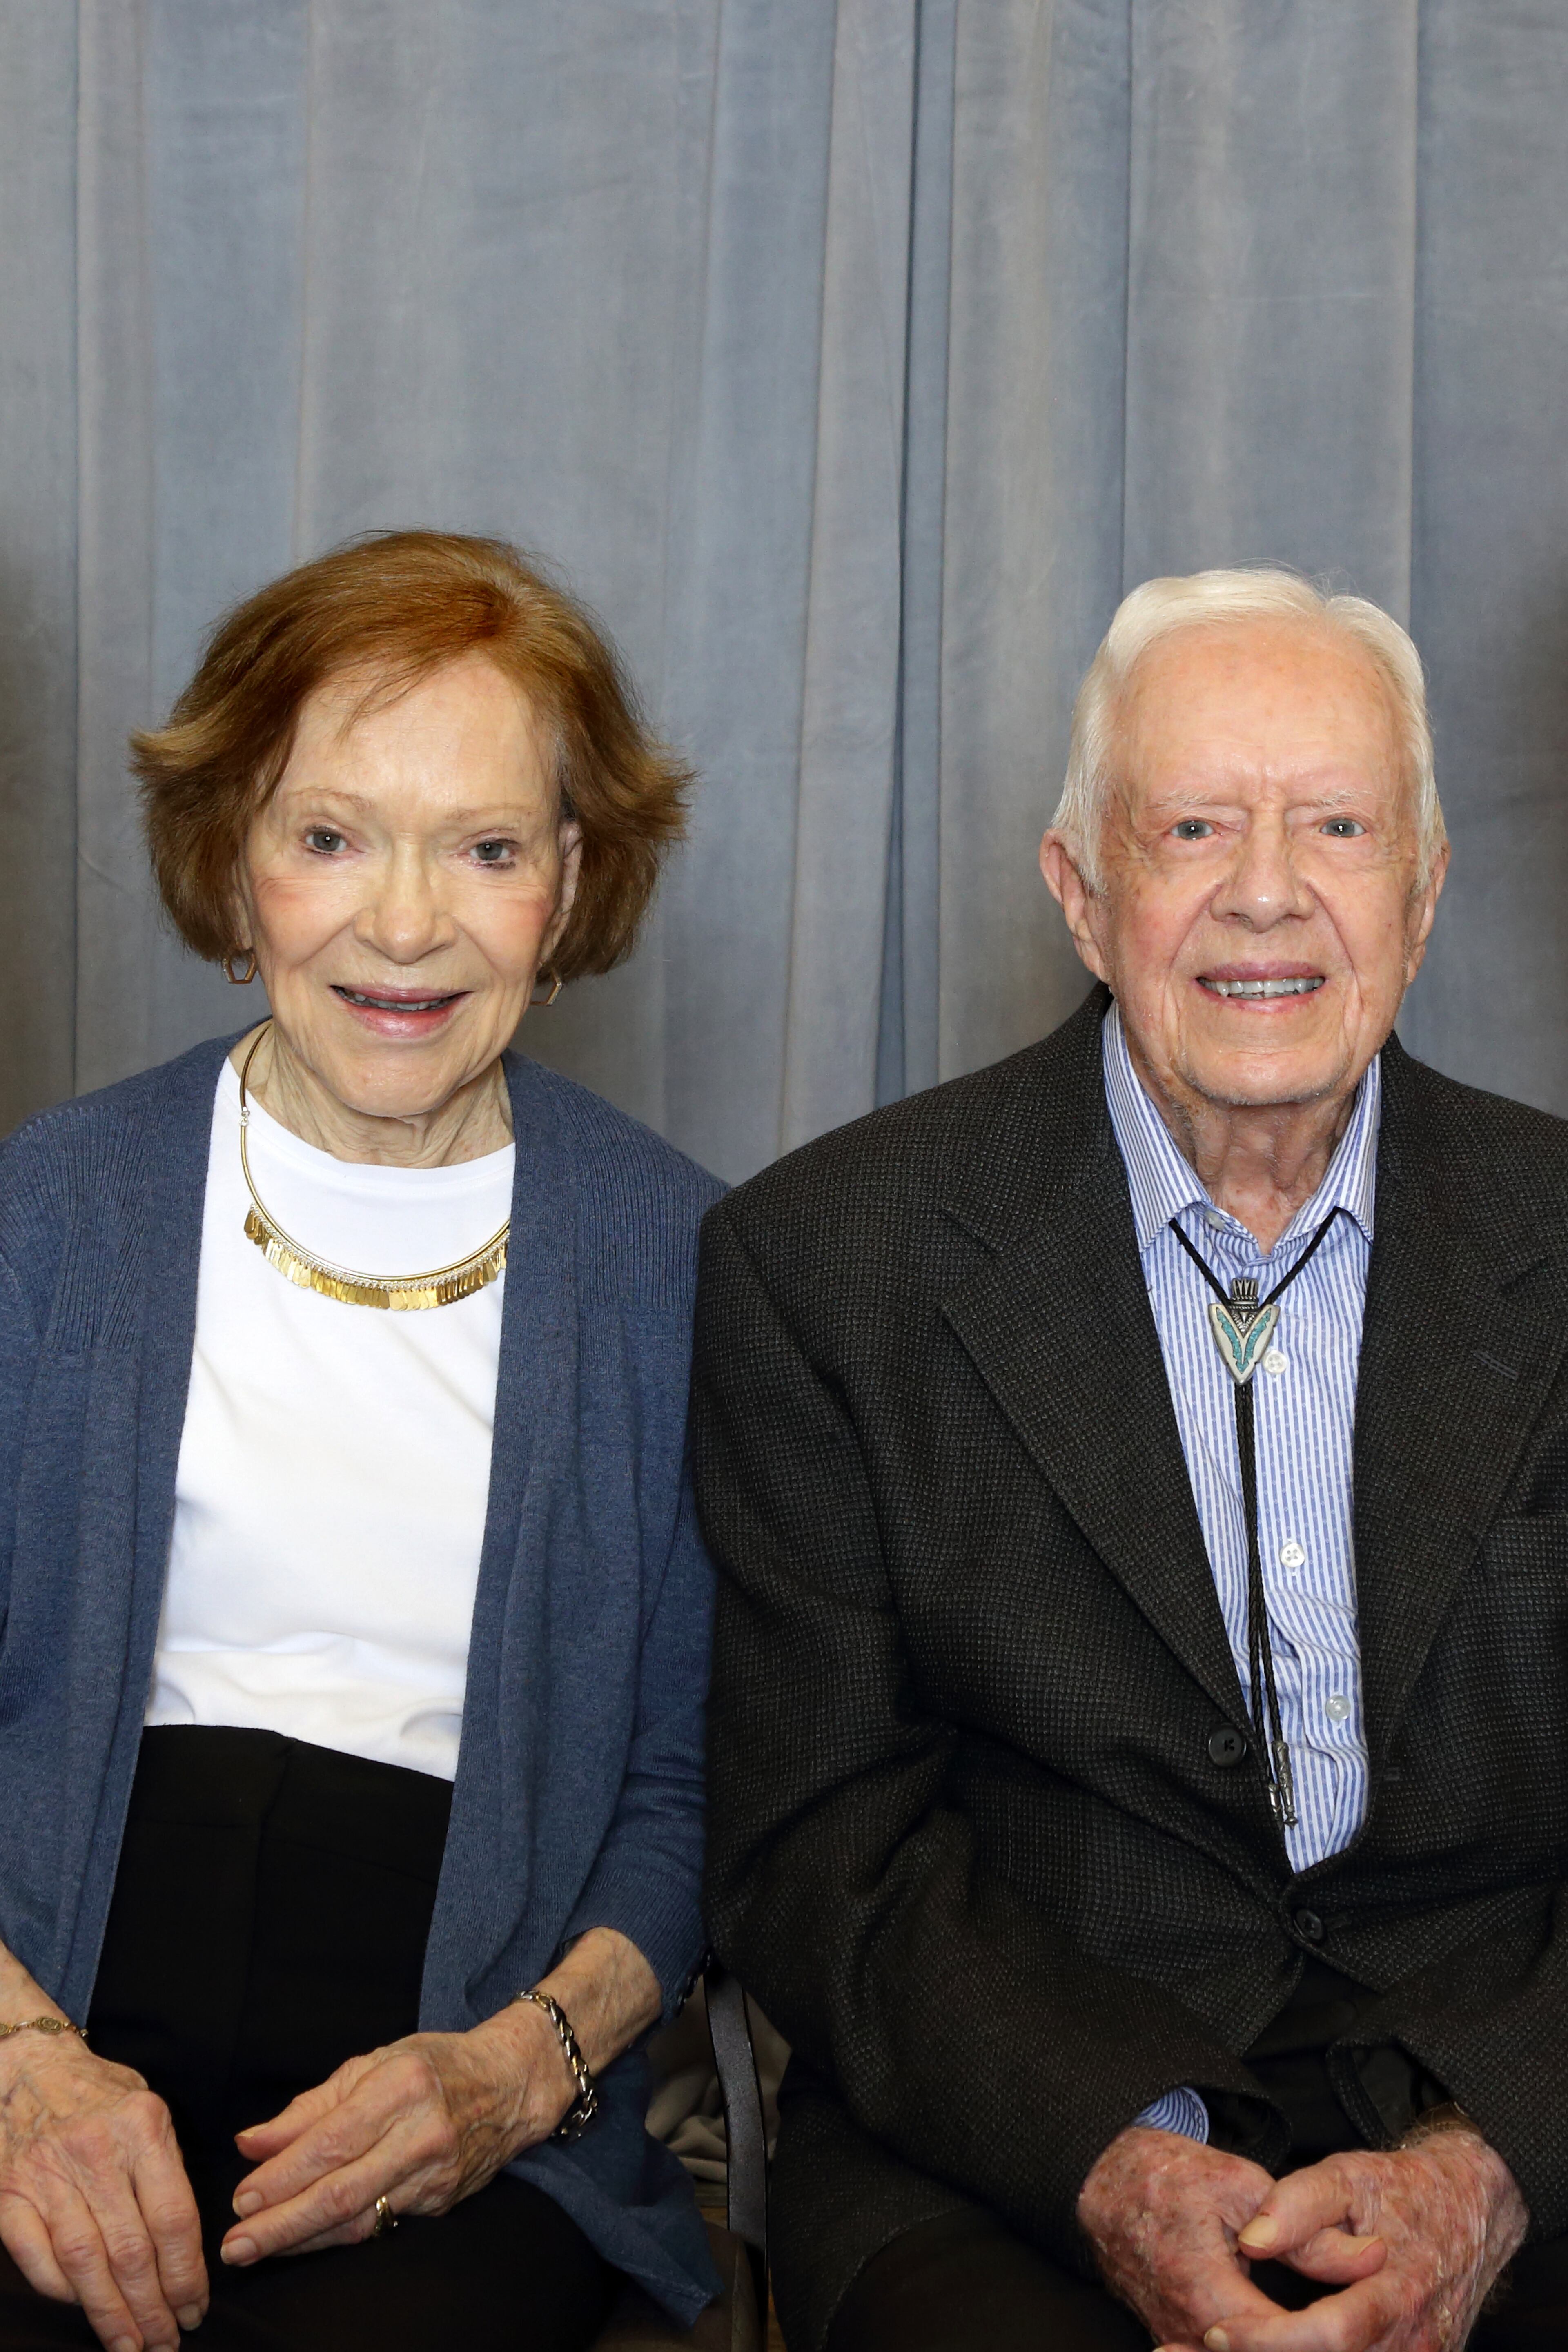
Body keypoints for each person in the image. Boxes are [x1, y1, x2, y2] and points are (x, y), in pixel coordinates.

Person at [696, 568, 1568, 2352]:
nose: (1268, 888)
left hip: (1515, 2095)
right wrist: (1119, 2157)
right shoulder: (830, 1264)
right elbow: (819, 1848)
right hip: (1016, 2120)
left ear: (1425, 887)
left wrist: (1491, 2161)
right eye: (1192, 826)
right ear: (1083, 893)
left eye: (1336, 822)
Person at [0, 532, 722, 2352]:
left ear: (569, 887)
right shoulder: (46, 1218)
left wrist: (516, 2073)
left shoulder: (688, 1271)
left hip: (461, 2069)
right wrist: (21, 2072)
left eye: (486, 849)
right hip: (40, 2014)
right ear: (235, 862)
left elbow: (692, 1792)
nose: (404, 925)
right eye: (331, 838)